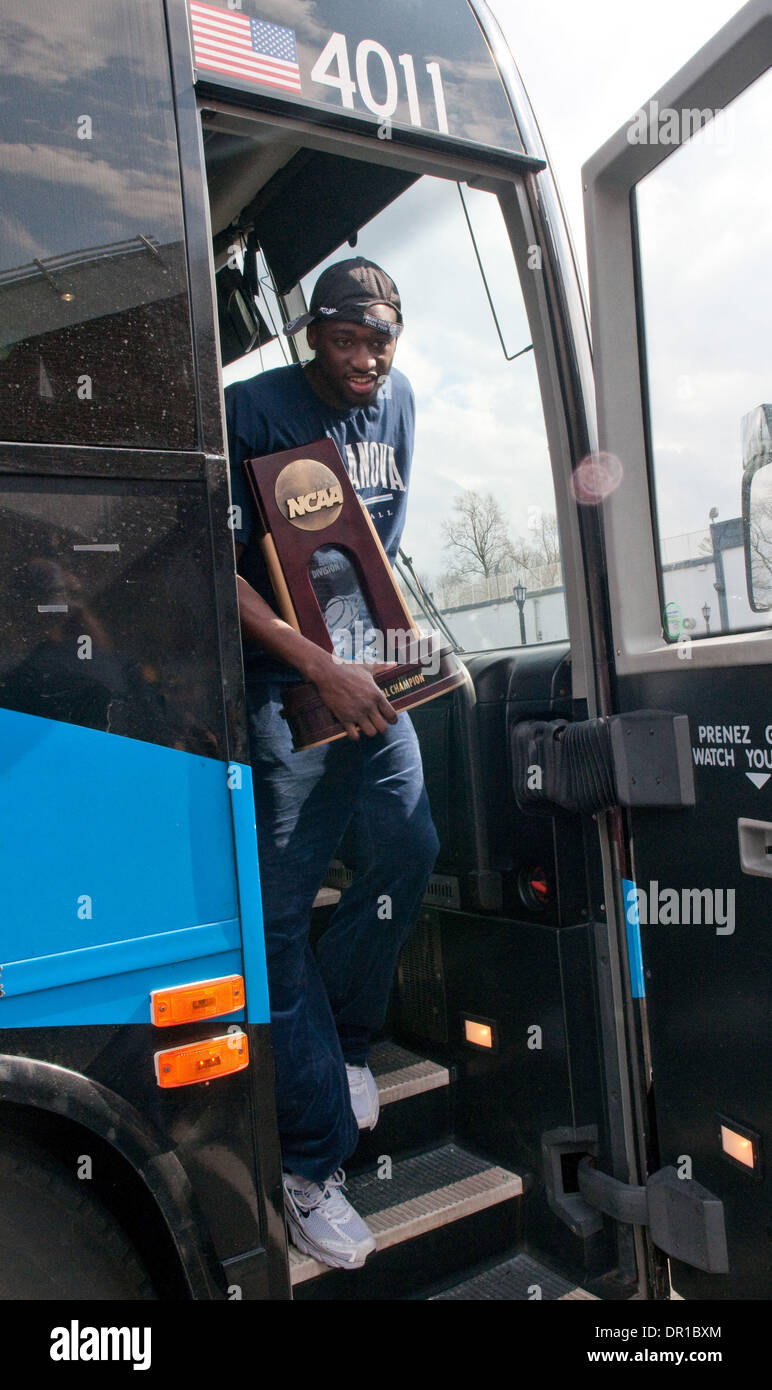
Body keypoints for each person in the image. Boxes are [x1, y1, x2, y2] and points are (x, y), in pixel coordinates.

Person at [225, 257, 440, 1270]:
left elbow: (371, 552)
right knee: (274, 926)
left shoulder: (396, 404)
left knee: (407, 851)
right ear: (313, 332)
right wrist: (318, 667)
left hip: (374, 675)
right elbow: (210, 571)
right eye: (342, 339)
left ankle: (349, 1041)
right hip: (281, 688)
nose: (360, 359)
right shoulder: (248, 411)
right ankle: (311, 1164)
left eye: (377, 340)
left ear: (396, 337)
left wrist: (403, 658)